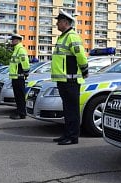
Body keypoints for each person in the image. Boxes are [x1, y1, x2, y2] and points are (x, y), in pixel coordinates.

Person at [51, 9, 88, 145]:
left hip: (70, 80)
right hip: (63, 80)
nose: (57, 24)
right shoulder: (63, 37)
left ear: (65, 22)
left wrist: (85, 70)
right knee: (67, 110)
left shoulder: (72, 36)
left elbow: (81, 57)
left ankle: (73, 137)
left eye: (58, 21)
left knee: (72, 110)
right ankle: (67, 134)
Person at [8, 33, 30, 119]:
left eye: (13, 40)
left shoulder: (20, 49)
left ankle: (22, 113)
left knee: (20, 96)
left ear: (17, 40)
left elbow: (25, 62)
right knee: (17, 96)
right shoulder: (16, 50)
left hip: (19, 77)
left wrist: (26, 71)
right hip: (15, 77)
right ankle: (19, 111)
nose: (12, 41)